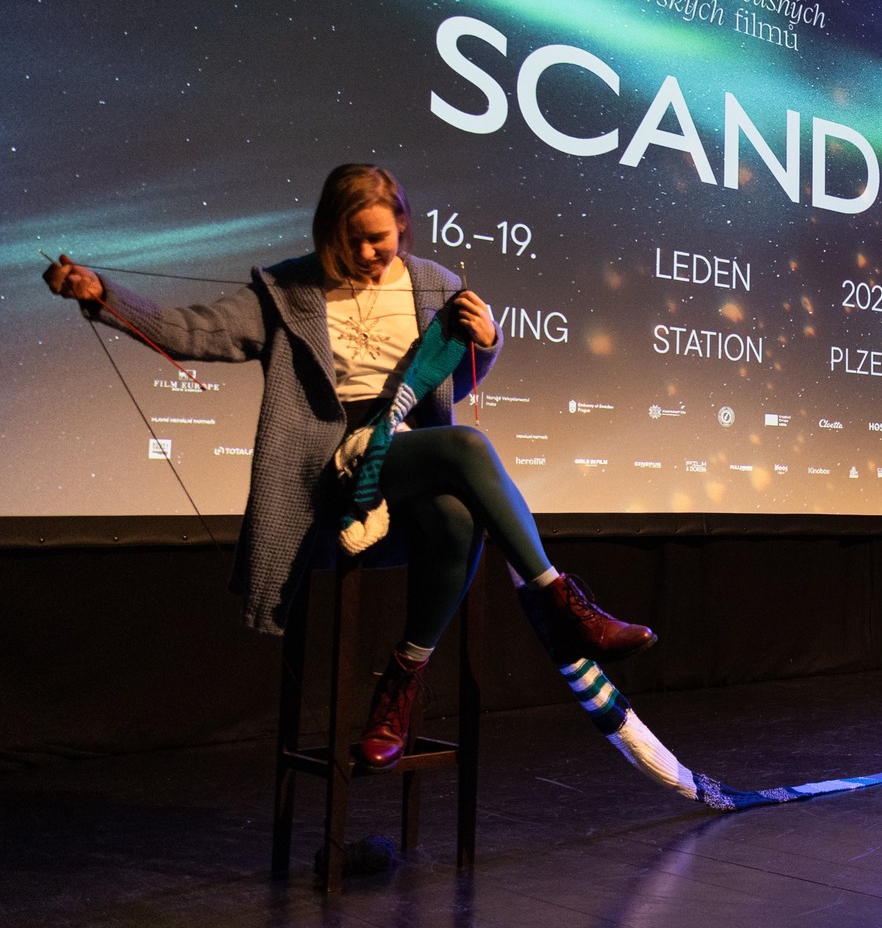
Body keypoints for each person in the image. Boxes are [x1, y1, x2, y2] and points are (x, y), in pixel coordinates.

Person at [43, 163, 657, 771]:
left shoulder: (434, 286)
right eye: (353, 239)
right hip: (329, 465)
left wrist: (487, 341)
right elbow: (192, 331)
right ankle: (564, 607)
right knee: (467, 447)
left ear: (402, 228)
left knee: (457, 517)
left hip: (404, 453)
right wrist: (105, 295)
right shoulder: (290, 289)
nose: (367, 252)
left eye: (379, 238)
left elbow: (451, 385)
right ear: (328, 232)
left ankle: (400, 682)